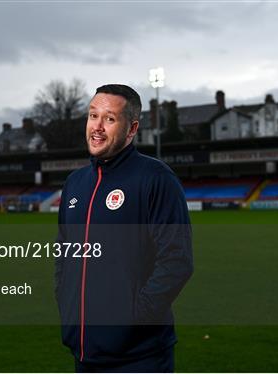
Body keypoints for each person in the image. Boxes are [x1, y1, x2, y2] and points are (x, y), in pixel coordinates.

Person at [55, 84, 193, 372]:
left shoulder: (155, 179)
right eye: (93, 116)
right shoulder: (75, 183)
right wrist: (67, 305)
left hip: (138, 358)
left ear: (131, 129)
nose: (97, 127)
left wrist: (132, 319)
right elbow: (64, 253)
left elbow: (177, 260)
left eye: (110, 119)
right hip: (85, 353)